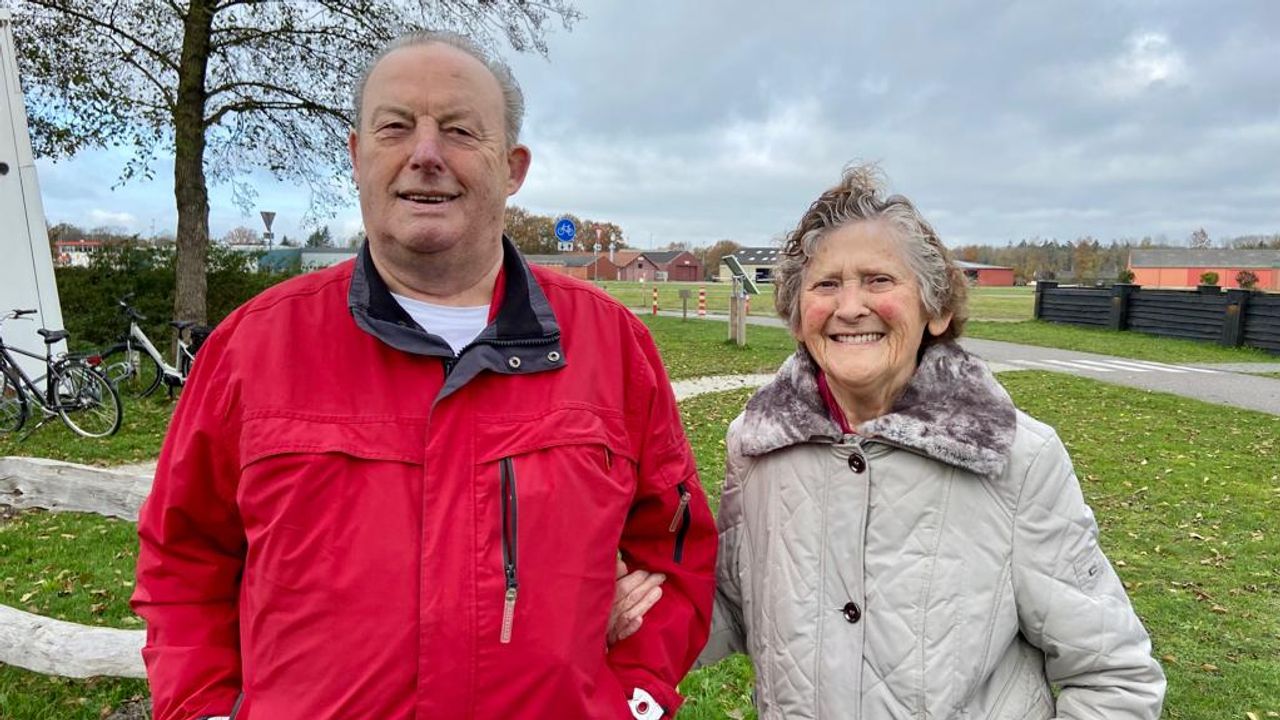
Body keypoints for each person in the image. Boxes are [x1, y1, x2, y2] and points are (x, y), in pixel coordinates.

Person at [131, 30, 715, 720]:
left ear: (513, 167)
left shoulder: (611, 348)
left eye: (461, 131)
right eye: (396, 128)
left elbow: (673, 552)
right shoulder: (252, 348)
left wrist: (637, 698)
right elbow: (183, 558)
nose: (426, 155)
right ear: (356, 156)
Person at [682, 164, 1164, 717]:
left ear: (935, 309)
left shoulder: (1015, 459)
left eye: (879, 280)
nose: (849, 307)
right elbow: (731, 607)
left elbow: (1114, 675)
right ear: (797, 316)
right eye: (826, 284)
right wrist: (615, 596)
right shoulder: (756, 447)